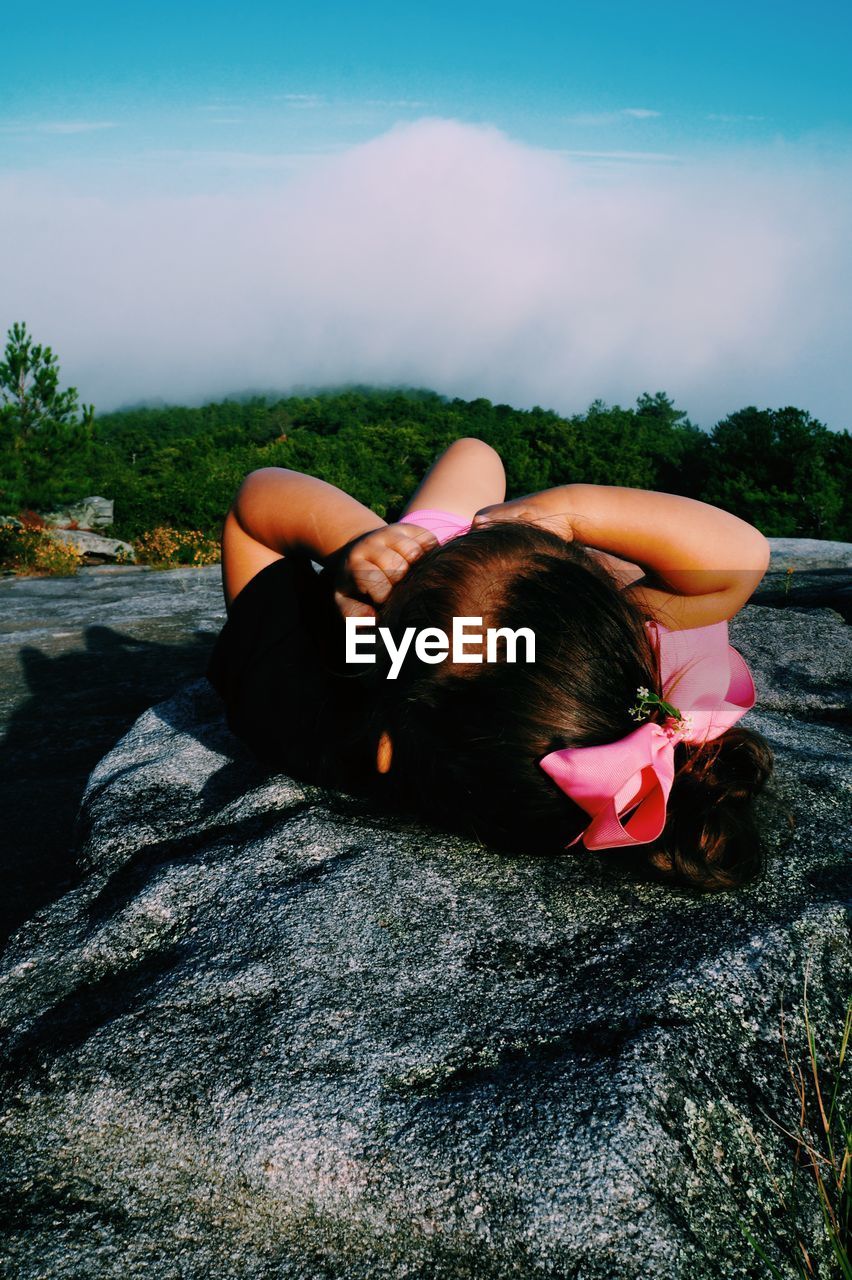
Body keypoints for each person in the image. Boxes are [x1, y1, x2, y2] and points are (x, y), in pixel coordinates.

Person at [207, 437, 773, 892]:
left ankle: (411, 551)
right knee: (476, 454)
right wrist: (569, 511)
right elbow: (742, 558)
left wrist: (359, 551)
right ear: (606, 631)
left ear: (385, 746)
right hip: (447, 603)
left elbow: (254, 504)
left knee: (474, 453)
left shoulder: (299, 707)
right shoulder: (582, 709)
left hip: (397, 576)